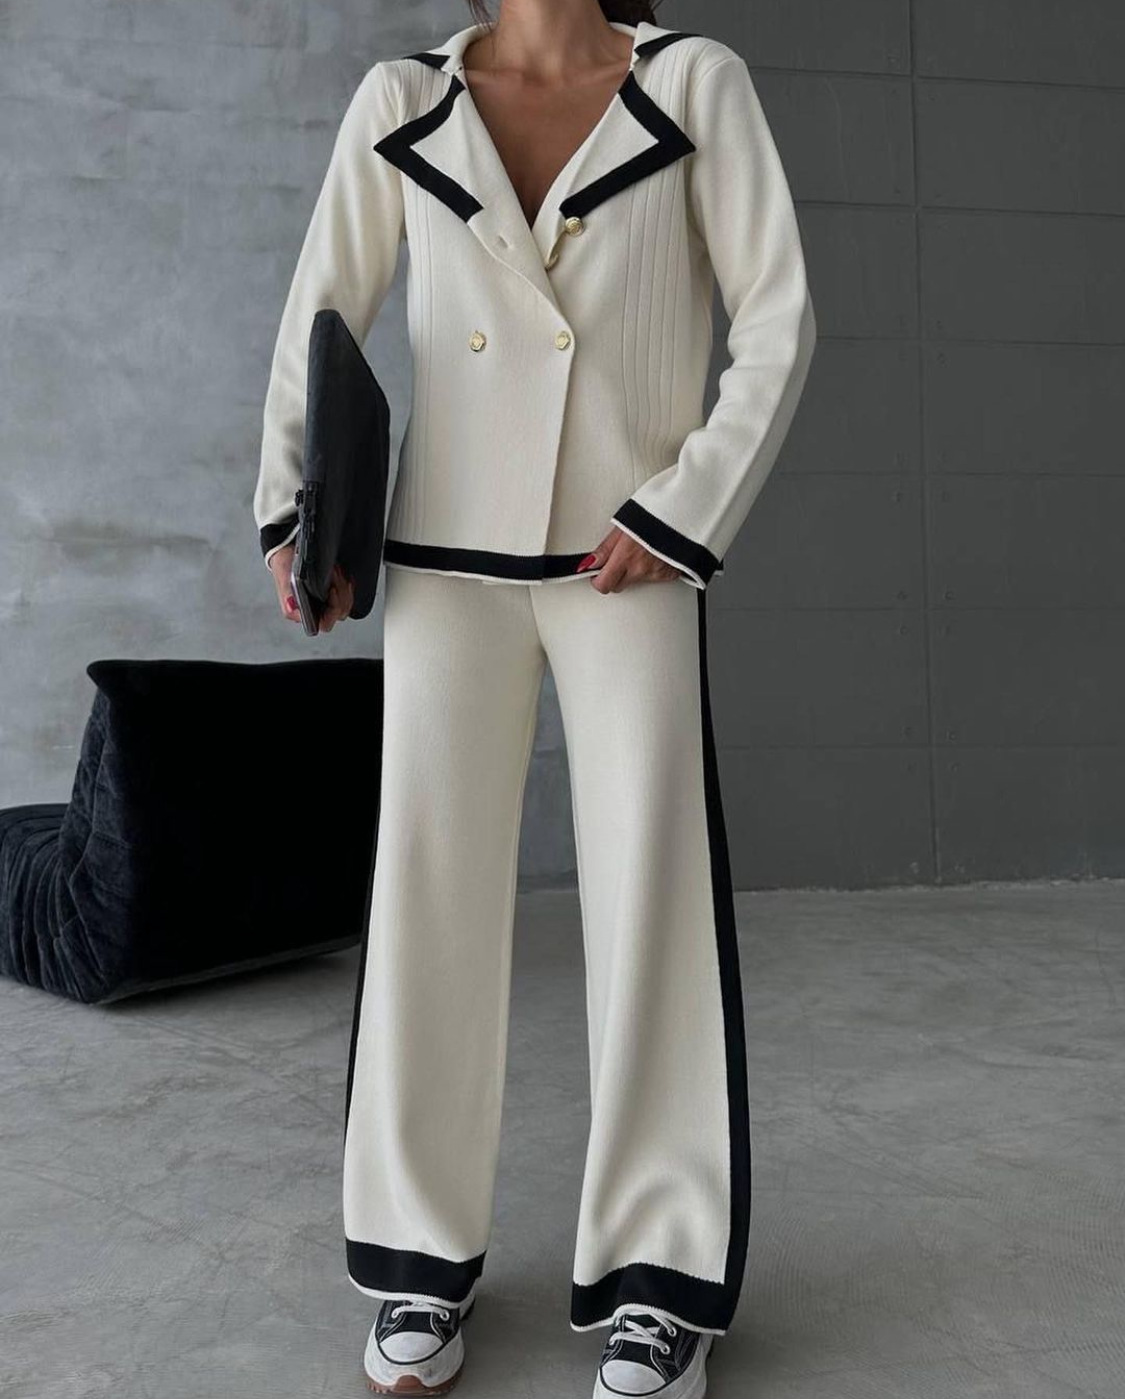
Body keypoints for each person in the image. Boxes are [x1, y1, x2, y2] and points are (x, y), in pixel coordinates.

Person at [252, 1, 816, 1395]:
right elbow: (322, 310)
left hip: (630, 555)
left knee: (652, 906)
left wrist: (683, 507)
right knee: (426, 897)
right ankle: (415, 1261)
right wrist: (297, 511)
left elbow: (778, 317)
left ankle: (658, 1282)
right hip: (445, 558)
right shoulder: (402, 98)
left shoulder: (694, 81)